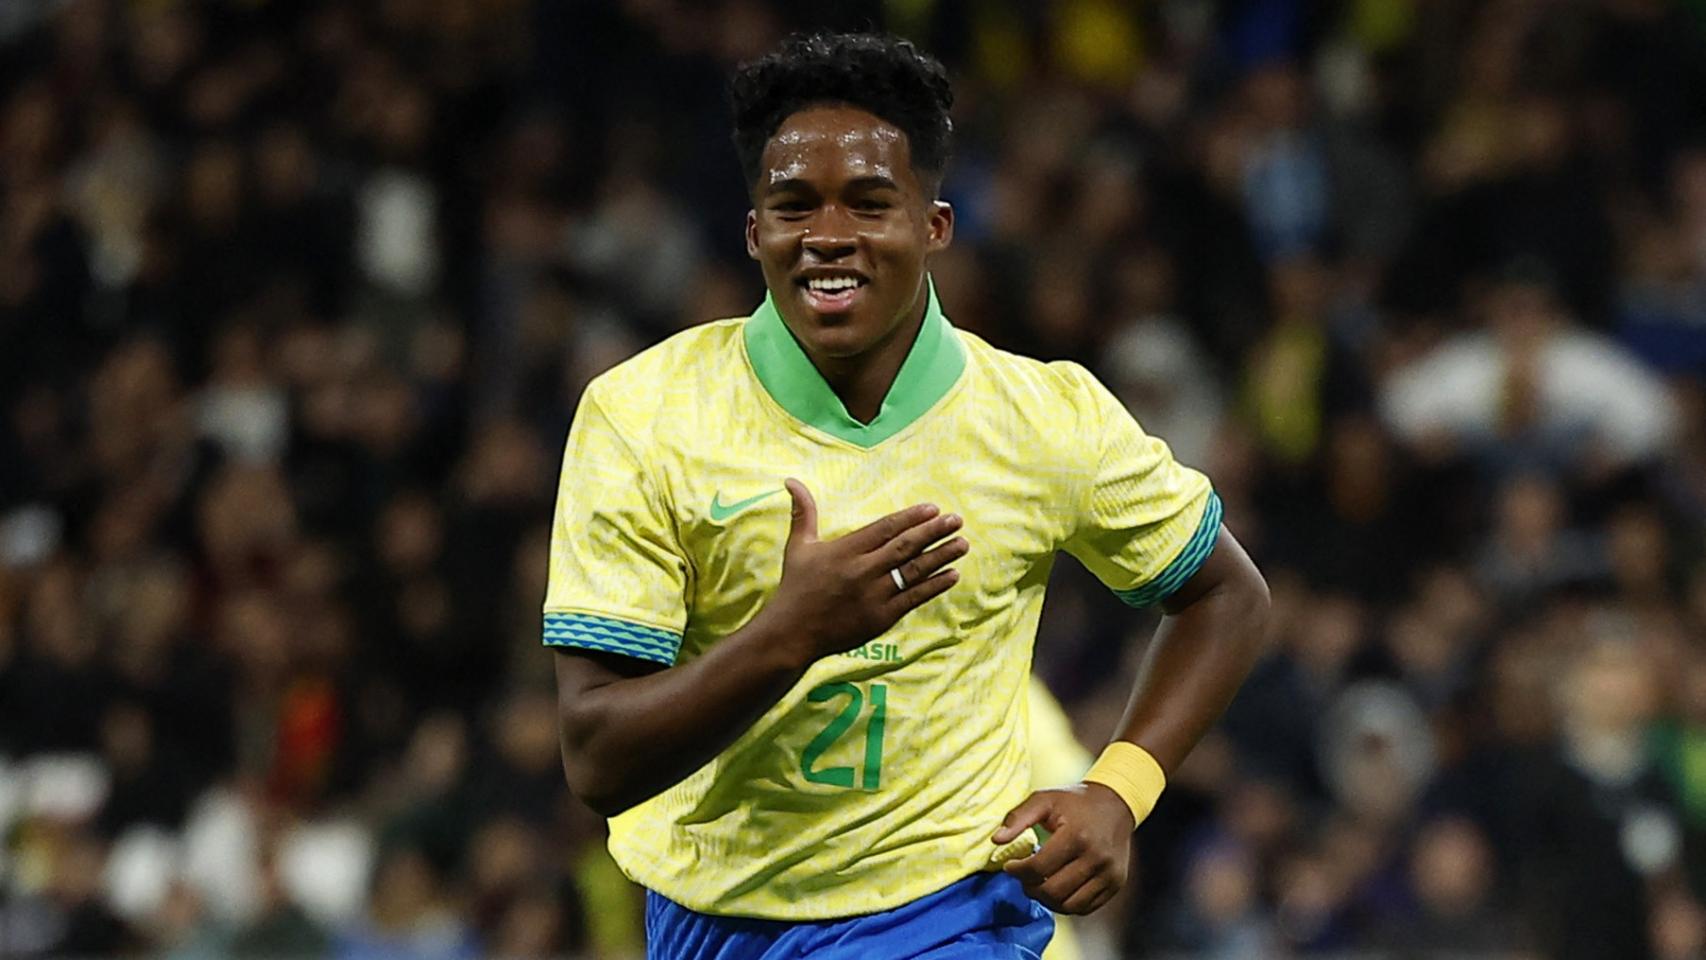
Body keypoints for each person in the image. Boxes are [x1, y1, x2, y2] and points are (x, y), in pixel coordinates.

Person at [545, 32, 1270, 960]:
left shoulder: (1044, 418)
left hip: (949, 912)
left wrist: (1120, 790)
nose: (830, 236)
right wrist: (791, 633)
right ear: (754, 230)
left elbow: (1226, 596)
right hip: (711, 919)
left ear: (934, 227)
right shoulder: (643, 417)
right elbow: (598, 758)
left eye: (871, 204)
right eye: (794, 206)